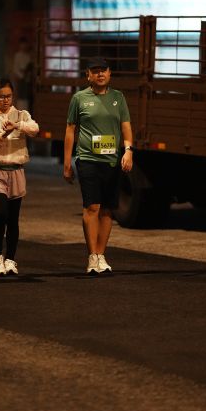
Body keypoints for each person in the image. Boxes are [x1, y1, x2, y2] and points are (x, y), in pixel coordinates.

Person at [64, 57, 133, 274]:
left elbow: (126, 127)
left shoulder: (118, 97)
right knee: (92, 207)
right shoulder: (79, 98)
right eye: (95, 71)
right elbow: (70, 130)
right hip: (88, 160)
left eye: (103, 70)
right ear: (88, 75)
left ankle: (101, 255)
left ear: (110, 73)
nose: (100, 74)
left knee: (107, 210)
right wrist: (67, 163)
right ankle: (92, 256)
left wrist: (129, 151)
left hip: (111, 161)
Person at [0, 77, 39, 276]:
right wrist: (3, 134)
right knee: (1, 213)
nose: (5, 100)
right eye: (1, 96)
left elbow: (35, 129)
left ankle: (10, 259)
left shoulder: (21, 115)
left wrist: (17, 126)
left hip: (16, 170)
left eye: (9, 96)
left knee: (13, 219)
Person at [12, 36, 34, 111]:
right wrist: (22, 76)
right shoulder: (17, 55)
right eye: (22, 44)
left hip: (28, 80)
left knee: (27, 99)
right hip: (20, 80)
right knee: (21, 98)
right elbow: (15, 69)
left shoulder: (28, 56)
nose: (24, 46)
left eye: (25, 44)